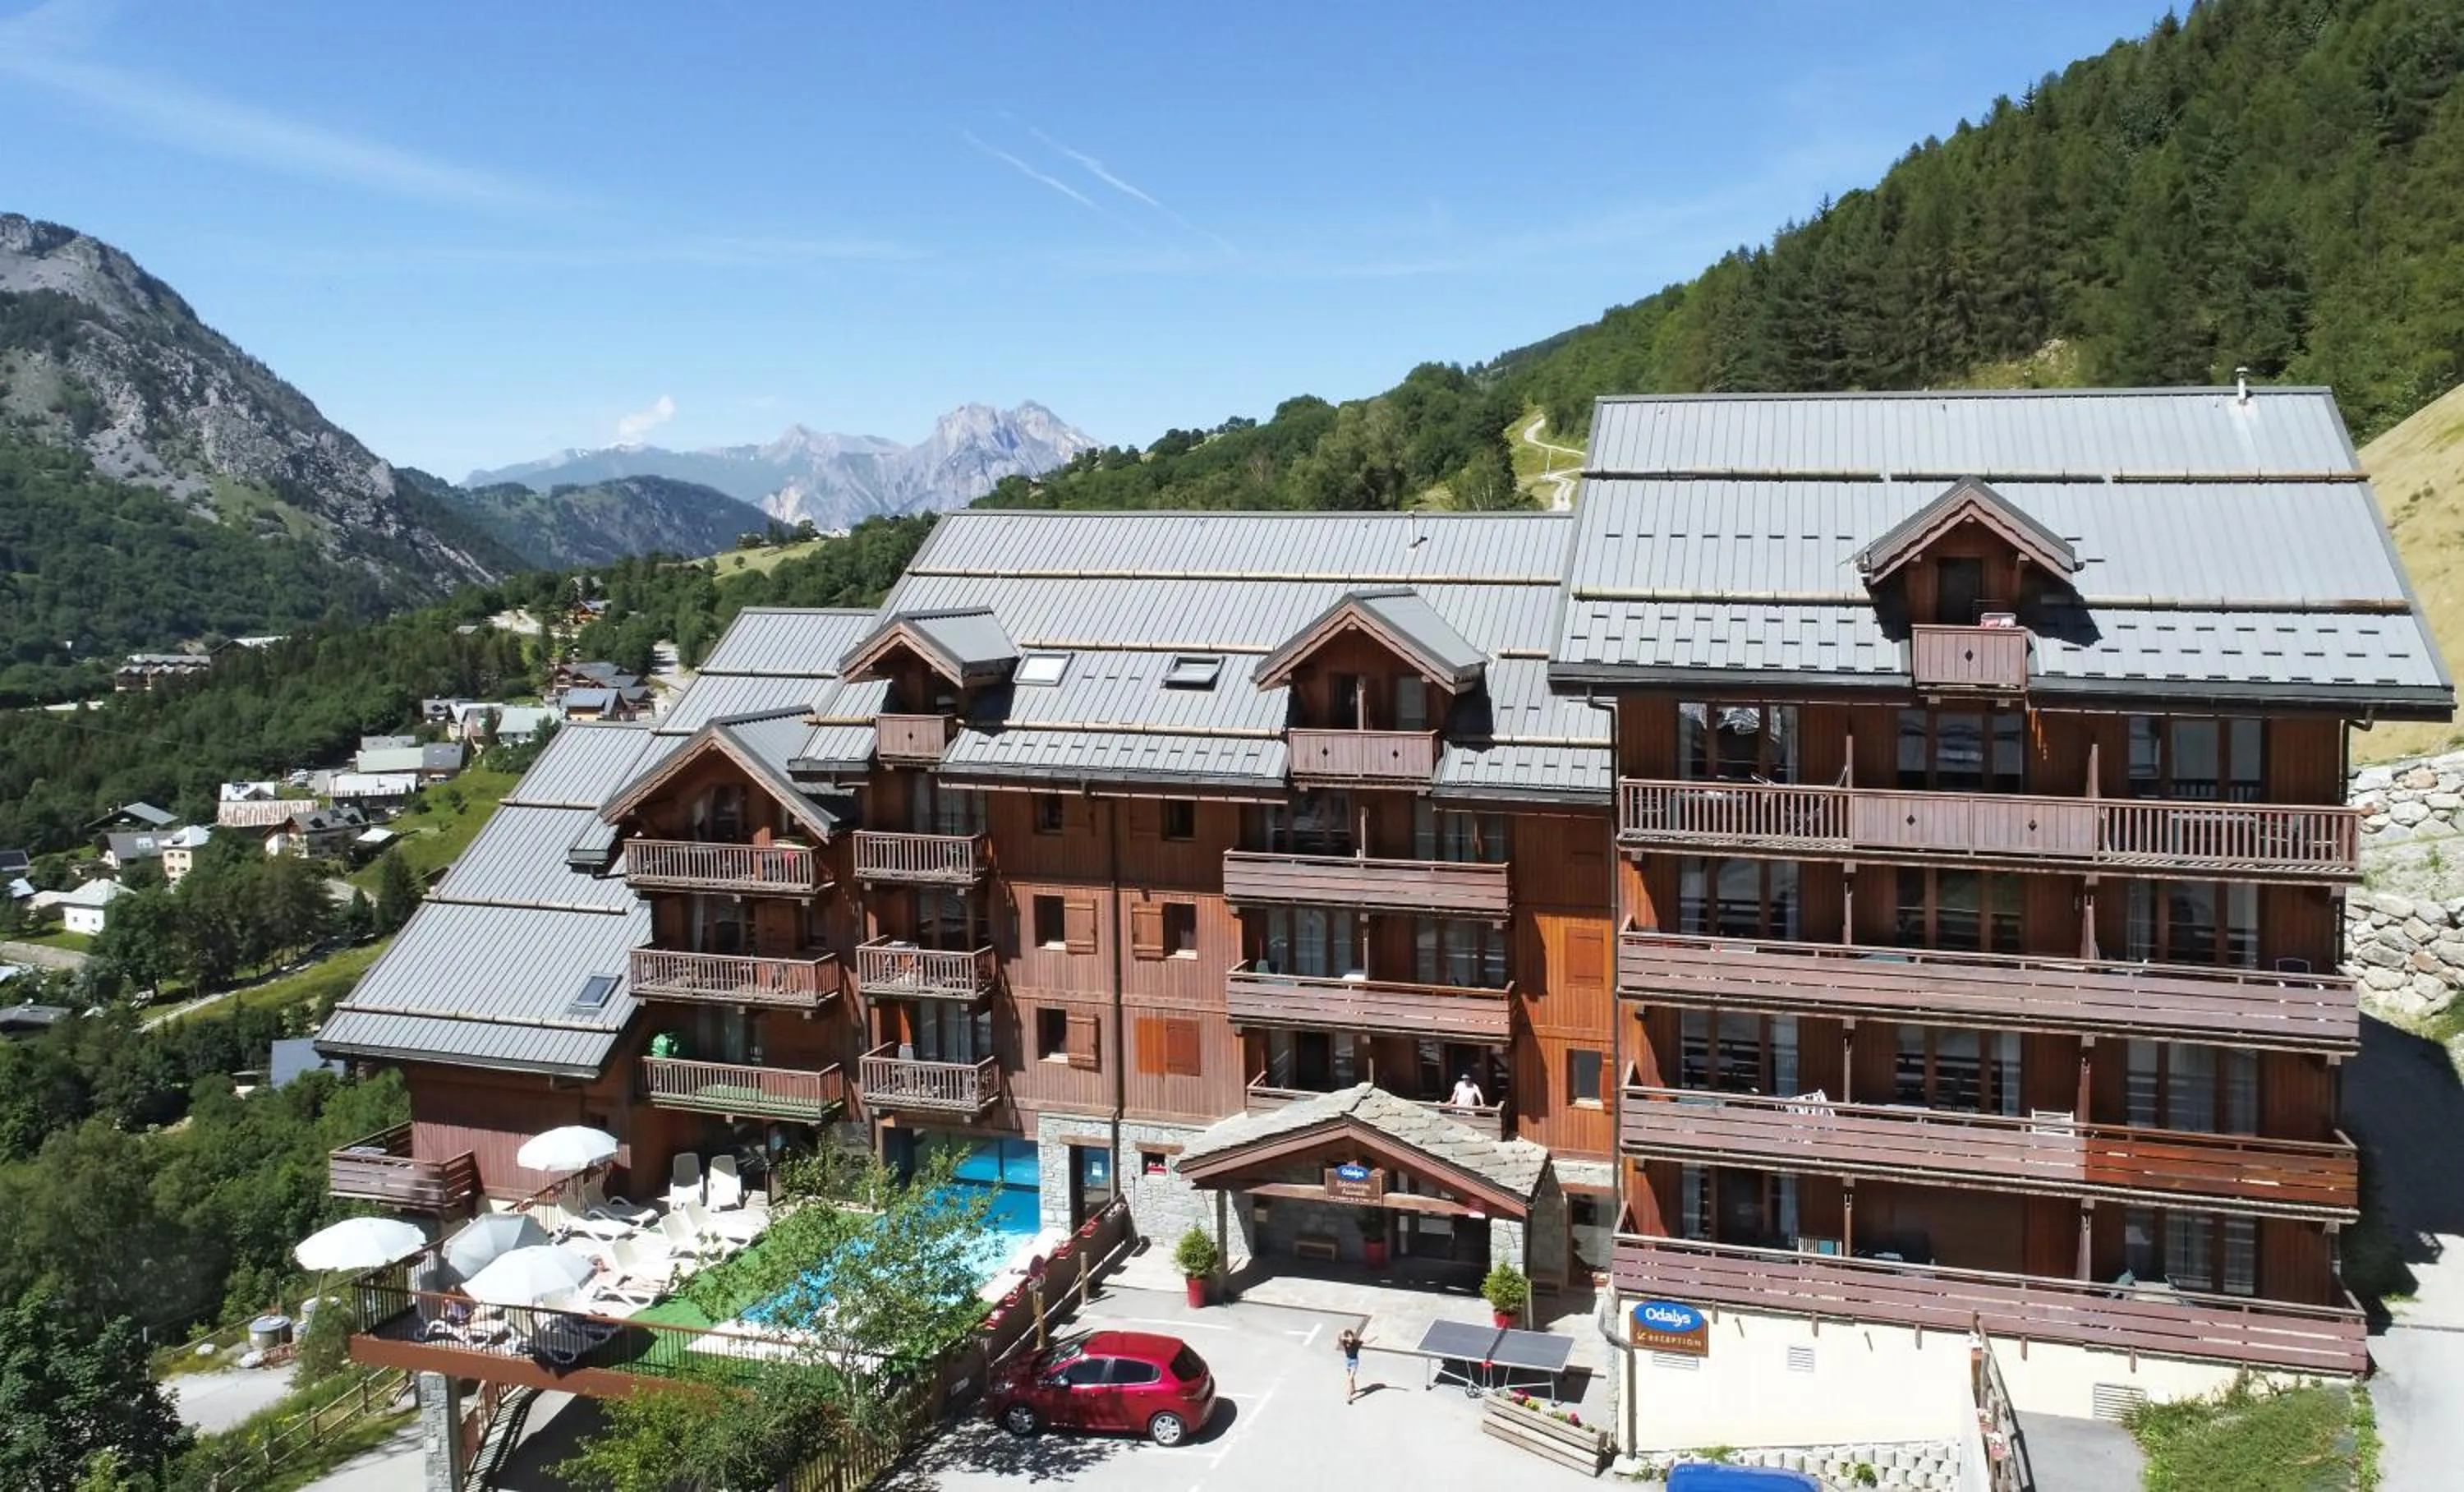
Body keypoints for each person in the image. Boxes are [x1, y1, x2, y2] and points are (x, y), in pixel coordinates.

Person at [1338, 1327, 1363, 1402]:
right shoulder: (1345, 1342)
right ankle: (1353, 1389)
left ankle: (1349, 1397)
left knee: (1350, 1379)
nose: (1350, 1338)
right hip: (1348, 1361)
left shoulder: (1356, 1342)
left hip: (1354, 1362)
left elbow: (1366, 1342)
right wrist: (1341, 1334)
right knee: (1351, 1378)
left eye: (1351, 1336)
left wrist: (1375, 1338)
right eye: (1349, 1337)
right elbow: (1339, 1338)